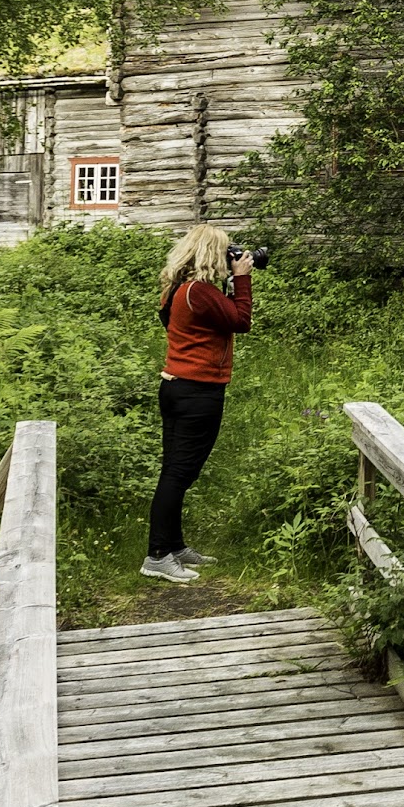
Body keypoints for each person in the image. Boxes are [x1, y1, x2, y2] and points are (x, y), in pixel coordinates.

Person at [145, 225, 256, 582]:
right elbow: (241, 321)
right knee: (179, 472)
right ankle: (158, 556)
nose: (232, 258)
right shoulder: (200, 291)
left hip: (177, 386)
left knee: (178, 470)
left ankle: (173, 546)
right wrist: (241, 280)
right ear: (213, 255)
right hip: (198, 391)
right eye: (226, 253)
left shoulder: (179, 288)